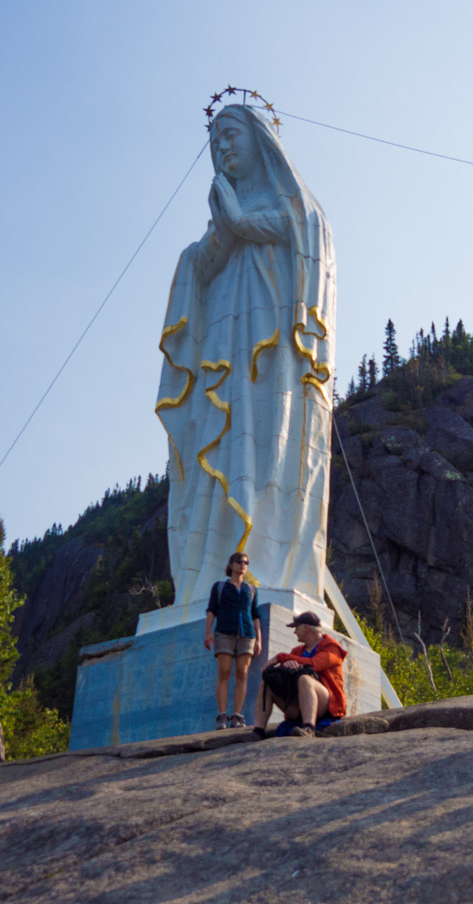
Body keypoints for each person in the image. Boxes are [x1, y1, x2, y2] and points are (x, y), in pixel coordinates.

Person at [156, 102, 336, 609]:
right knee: (218, 440)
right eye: (215, 142)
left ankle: (272, 563)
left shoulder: (298, 210)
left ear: (261, 141)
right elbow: (203, 260)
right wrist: (216, 237)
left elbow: (305, 231)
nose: (223, 147)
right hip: (223, 343)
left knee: (268, 442)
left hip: (274, 343)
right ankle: (208, 574)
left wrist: (240, 221)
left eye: (231, 135)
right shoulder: (225, 206)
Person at [252, 611, 346, 739]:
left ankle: (309, 728)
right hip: (296, 706)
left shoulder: (332, 648)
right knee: (266, 684)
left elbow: (314, 664)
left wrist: (281, 658)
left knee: (305, 680)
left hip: (326, 707)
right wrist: (284, 666)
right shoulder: (297, 651)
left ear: (306, 628)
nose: (295, 632)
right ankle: (258, 731)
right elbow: (283, 674)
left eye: (297, 627)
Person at [203, 551, 264, 729]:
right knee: (224, 673)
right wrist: (208, 633)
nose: (242, 564)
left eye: (246, 562)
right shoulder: (220, 587)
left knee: (242, 673)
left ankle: (237, 715)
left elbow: (255, 615)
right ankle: (222, 715)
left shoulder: (251, 589)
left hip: (247, 634)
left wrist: (259, 639)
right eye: (238, 561)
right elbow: (211, 610)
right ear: (230, 565)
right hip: (224, 632)